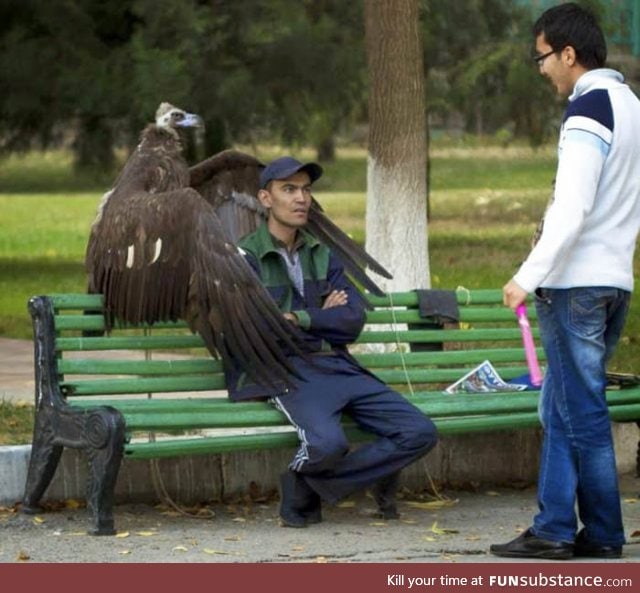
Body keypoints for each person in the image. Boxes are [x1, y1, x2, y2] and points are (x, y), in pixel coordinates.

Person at [492, 3, 640, 560]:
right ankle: (554, 526)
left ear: (568, 54)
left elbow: (573, 206)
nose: (540, 69)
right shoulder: (631, 106)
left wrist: (527, 276)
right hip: (613, 282)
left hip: (575, 285)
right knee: (561, 407)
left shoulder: (587, 110)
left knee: (582, 413)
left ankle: (602, 534)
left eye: (542, 57)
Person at [225, 155, 438, 527]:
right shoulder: (245, 258)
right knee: (328, 445)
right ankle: (311, 484)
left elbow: (351, 320)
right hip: (286, 372)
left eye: (305, 189)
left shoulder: (322, 254)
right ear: (265, 198)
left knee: (418, 432)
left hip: (337, 366)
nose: (301, 198)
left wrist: (300, 316)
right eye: (288, 189)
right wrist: (322, 314)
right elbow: (260, 329)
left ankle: (305, 484)